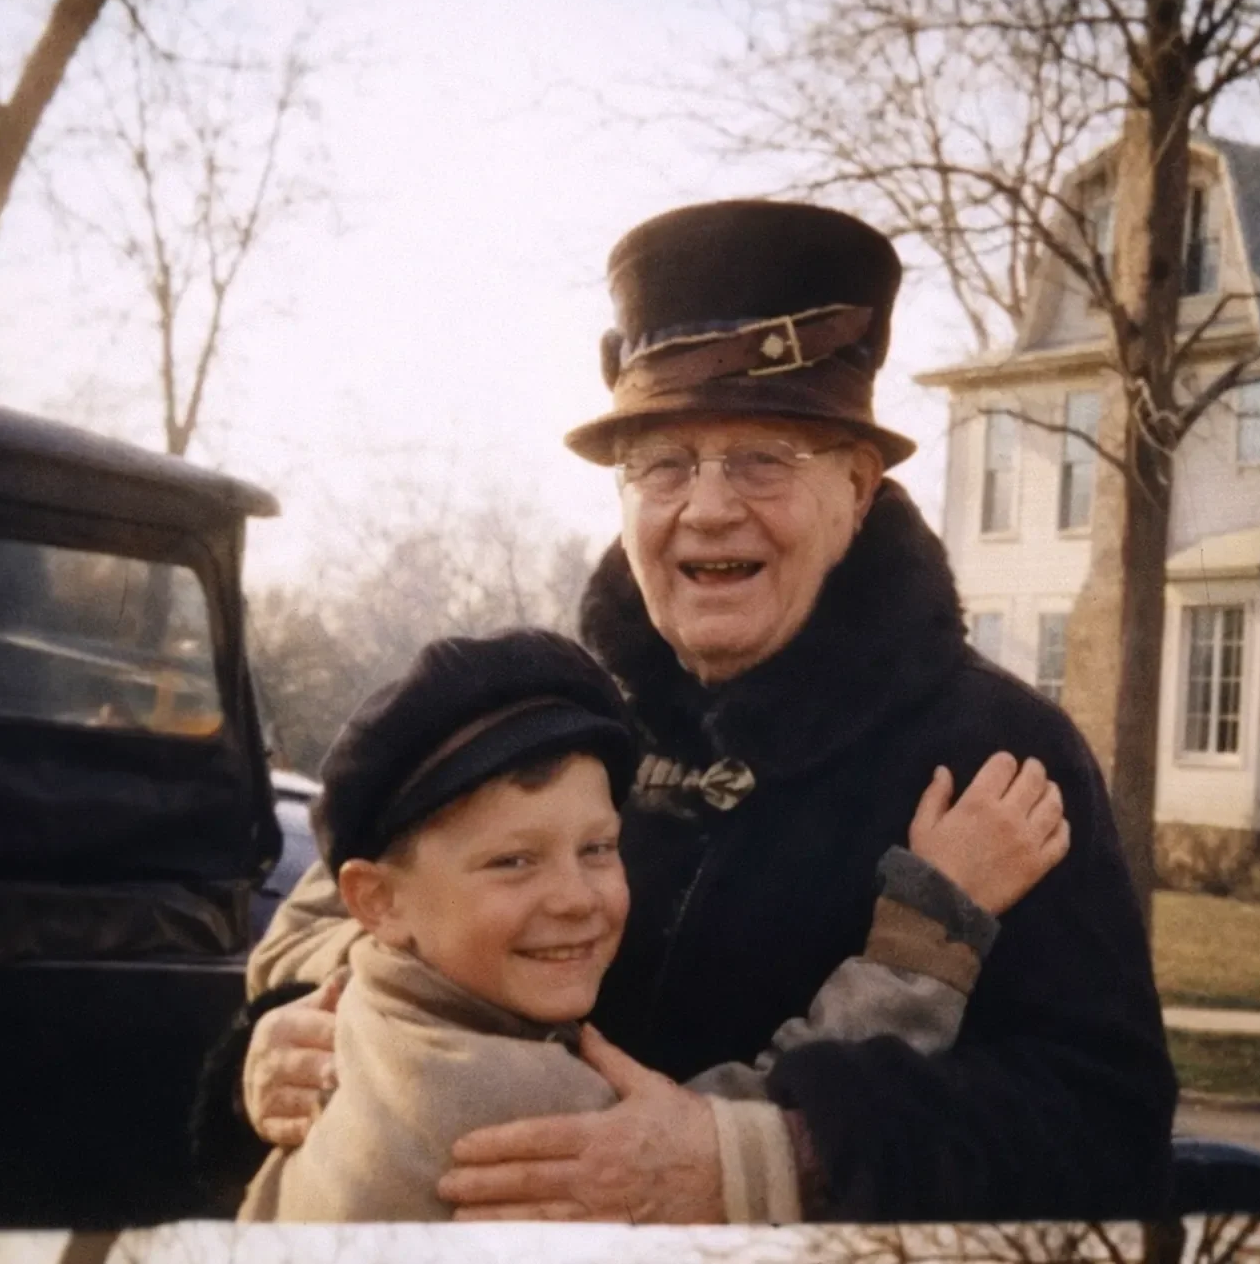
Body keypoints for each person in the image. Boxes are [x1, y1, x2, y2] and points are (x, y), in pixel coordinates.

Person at [209, 199, 1177, 1222]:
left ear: (856, 488)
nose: (708, 506)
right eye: (662, 463)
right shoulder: (546, 716)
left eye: (762, 457)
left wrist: (772, 1155)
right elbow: (348, 895)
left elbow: (1101, 1132)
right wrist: (285, 1039)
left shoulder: (994, 757)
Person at [236, 627, 1066, 1221]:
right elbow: (744, 1119)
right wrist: (933, 920)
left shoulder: (357, 1006)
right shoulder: (514, 1104)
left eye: (600, 846)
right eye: (513, 862)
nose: (575, 896)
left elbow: (330, 892)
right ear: (379, 901)